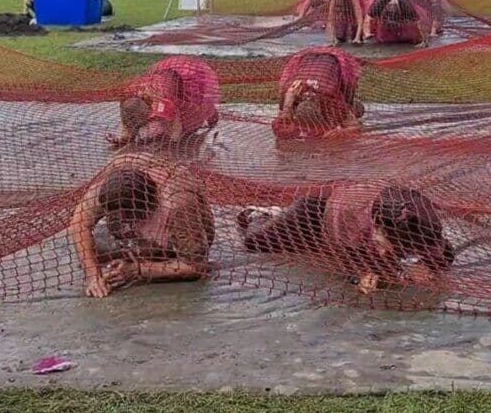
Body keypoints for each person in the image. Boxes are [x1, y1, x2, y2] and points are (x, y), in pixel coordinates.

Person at [236, 181, 455, 295]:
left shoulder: (423, 223)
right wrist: (365, 274)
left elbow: (444, 253)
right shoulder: (350, 215)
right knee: (254, 242)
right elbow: (345, 259)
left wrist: (425, 266)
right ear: (376, 225)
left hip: (363, 226)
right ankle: (263, 214)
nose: (381, 249)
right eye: (381, 240)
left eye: (391, 246)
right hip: (315, 216)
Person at [69, 152, 216, 298]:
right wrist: (93, 275)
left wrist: (138, 269)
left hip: (178, 232)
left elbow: (197, 267)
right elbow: (79, 224)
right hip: (142, 223)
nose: (127, 221)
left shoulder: (178, 204)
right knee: (97, 249)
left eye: (131, 216)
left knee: (163, 255)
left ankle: (154, 254)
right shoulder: (109, 187)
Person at [108, 56, 220, 153]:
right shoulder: (128, 100)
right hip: (163, 81)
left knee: (196, 111)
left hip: (186, 79)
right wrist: (122, 139)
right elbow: (128, 124)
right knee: (158, 123)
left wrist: (172, 143)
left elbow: (176, 124)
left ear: (151, 112)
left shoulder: (163, 102)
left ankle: (213, 113)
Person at [272, 47, 364, 141]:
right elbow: (287, 102)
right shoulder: (290, 95)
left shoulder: (332, 101)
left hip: (334, 62)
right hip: (310, 62)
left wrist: (340, 132)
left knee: (351, 108)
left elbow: (355, 125)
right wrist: (286, 113)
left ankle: (352, 108)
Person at [360, 0, 431, 47]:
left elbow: (419, 23)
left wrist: (424, 41)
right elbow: (367, 19)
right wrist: (367, 35)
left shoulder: (407, 7)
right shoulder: (378, 4)